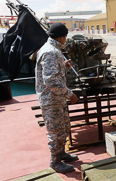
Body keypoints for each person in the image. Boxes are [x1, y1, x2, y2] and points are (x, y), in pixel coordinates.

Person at [35, 22, 79, 173]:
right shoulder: (51, 52)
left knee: (63, 127)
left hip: (56, 99)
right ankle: (55, 162)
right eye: (65, 37)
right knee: (55, 131)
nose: (66, 40)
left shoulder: (53, 50)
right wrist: (69, 94)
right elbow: (51, 81)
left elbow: (51, 72)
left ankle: (61, 153)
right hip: (51, 99)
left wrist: (62, 65)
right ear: (61, 37)